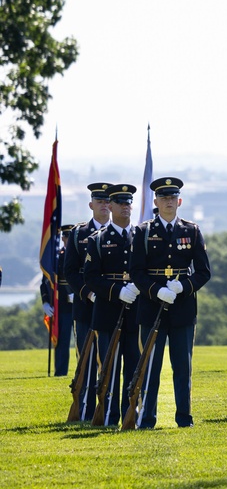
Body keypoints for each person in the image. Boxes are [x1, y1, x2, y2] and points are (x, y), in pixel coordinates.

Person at [129, 177, 212, 428]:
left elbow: (203, 272)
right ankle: (147, 418)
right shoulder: (143, 232)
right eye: (163, 198)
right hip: (152, 306)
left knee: (182, 367)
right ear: (156, 201)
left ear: (180, 201)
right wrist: (156, 291)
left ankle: (184, 418)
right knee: (150, 368)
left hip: (183, 307)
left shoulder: (191, 230)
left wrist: (183, 286)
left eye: (172, 197)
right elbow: (136, 272)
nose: (168, 202)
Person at [83, 184, 141, 426]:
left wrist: (137, 287)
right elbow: (91, 277)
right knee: (109, 366)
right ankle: (109, 415)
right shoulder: (97, 240)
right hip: (107, 310)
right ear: (111, 206)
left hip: (136, 310)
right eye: (120, 203)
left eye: (129, 202)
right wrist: (118, 291)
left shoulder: (141, 236)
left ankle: (131, 413)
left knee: (134, 365)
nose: (126, 207)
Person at [64, 182, 112, 420]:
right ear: (91, 204)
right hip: (86, 307)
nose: (104, 205)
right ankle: (84, 410)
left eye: (107, 201)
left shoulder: (121, 232)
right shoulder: (78, 233)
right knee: (85, 361)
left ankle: (107, 409)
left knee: (108, 359)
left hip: (112, 307)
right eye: (99, 201)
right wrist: (88, 293)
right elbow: (70, 271)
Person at [41, 225, 75, 376]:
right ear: (62, 238)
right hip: (61, 303)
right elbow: (45, 282)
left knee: (84, 341)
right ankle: (60, 372)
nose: (68, 240)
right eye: (66, 237)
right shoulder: (56, 257)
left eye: (70, 236)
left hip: (80, 301)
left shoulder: (81, 254)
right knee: (62, 340)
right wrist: (45, 302)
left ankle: (84, 372)